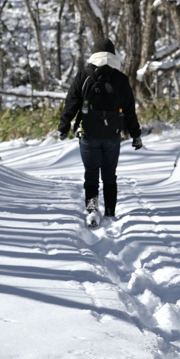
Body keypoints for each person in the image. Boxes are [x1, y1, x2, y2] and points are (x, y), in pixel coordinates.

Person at [58, 36, 142, 222]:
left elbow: (71, 103)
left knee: (91, 174)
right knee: (110, 175)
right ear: (113, 54)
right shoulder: (120, 78)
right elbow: (129, 110)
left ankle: (92, 209)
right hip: (113, 135)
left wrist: (64, 126)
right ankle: (110, 212)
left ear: (94, 53)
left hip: (88, 134)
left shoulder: (83, 75)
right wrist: (135, 134)